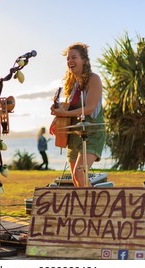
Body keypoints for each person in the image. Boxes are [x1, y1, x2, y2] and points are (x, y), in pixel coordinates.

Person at [50, 42, 106, 187]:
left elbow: (89, 108)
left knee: (79, 173)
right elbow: (67, 109)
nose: (70, 61)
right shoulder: (72, 84)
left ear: (84, 60)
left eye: (73, 57)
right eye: (68, 59)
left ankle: (92, 207)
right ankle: (86, 207)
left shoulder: (94, 79)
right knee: (76, 180)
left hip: (92, 133)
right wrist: (57, 116)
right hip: (73, 136)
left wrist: (65, 112)